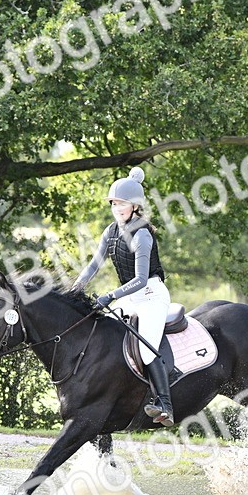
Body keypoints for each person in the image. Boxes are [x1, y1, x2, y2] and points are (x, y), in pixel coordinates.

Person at [72, 167, 175, 426]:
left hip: (151, 294)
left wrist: (109, 296)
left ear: (135, 207)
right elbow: (94, 265)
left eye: (123, 204)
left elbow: (140, 279)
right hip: (129, 297)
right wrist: (75, 288)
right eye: (114, 204)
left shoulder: (141, 234)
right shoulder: (110, 231)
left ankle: (165, 403)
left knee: (146, 349)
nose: (118, 208)